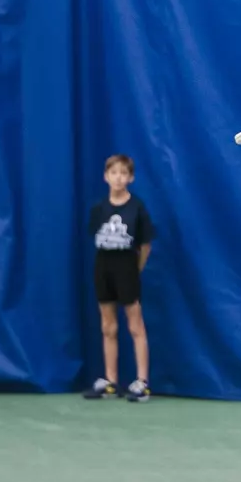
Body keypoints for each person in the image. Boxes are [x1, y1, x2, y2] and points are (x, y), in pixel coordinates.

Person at [83, 154, 155, 403]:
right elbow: (96, 237)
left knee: (135, 325)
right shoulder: (98, 209)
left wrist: (136, 269)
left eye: (123, 173)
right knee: (107, 327)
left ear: (131, 178)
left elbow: (145, 245)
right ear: (106, 177)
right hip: (103, 267)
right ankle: (111, 381)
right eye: (113, 173)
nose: (118, 178)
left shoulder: (137, 208)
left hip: (127, 267)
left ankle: (142, 382)